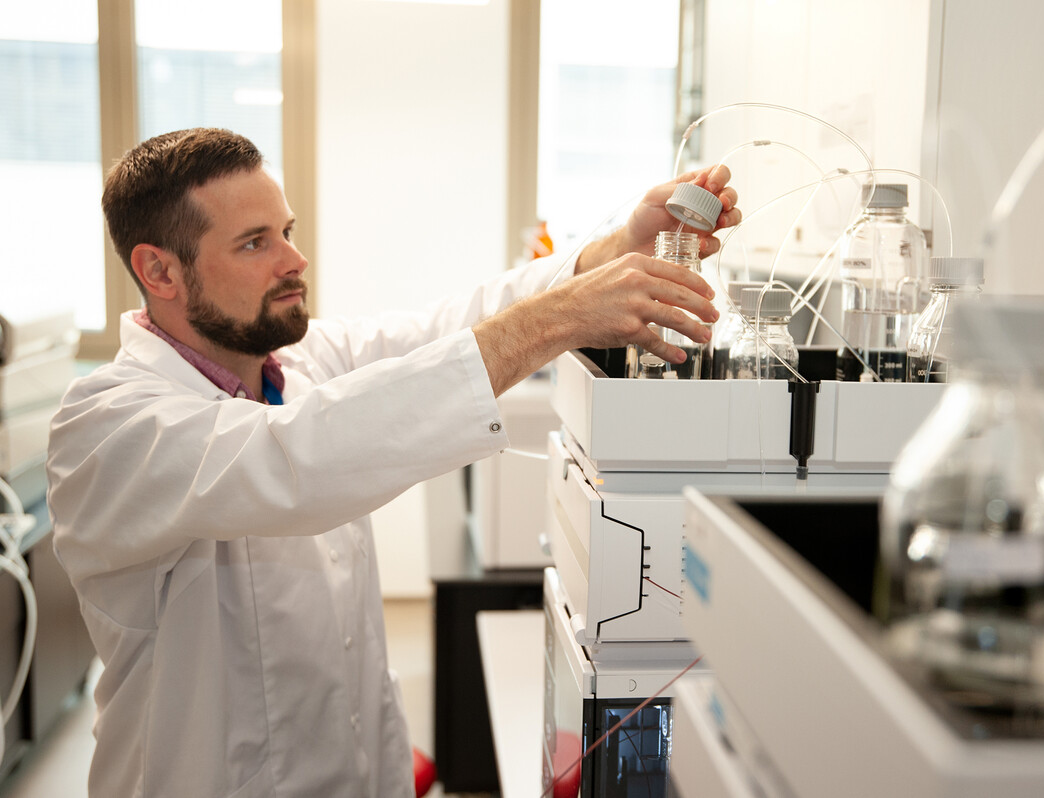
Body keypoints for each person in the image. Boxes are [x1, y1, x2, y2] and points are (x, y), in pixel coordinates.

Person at [46, 127, 740, 798]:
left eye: (286, 231)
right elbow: (296, 457)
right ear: (159, 270)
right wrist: (563, 318)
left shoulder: (302, 359)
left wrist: (615, 251)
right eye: (255, 242)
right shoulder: (108, 426)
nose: (294, 259)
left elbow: (448, 330)